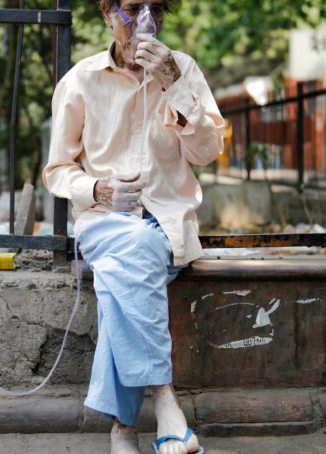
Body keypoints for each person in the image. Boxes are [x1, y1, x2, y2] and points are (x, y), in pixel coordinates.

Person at [42, 1, 224, 453]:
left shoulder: (183, 70)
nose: (143, 21)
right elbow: (57, 171)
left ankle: (123, 429)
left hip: (165, 223)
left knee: (125, 272)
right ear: (108, 16)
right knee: (131, 246)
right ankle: (165, 401)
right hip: (103, 222)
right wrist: (98, 189)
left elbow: (208, 150)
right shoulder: (81, 80)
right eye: (130, 10)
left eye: (153, 10)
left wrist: (174, 85)